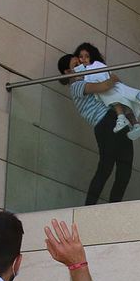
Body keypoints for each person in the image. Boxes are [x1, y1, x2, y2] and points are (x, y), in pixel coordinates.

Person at [56, 49, 132, 206]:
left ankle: (114, 205)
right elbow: (102, 87)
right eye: (76, 64)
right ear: (67, 71)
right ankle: (89, 206)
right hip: (104, 124)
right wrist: (112, 79)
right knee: (106, 166)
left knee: (125, 165)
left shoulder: (85, 79)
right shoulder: (76, 86)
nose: (81, 65)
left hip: (115, 119)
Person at [73, 44, 140, 141]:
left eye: (87, 56)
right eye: (81, 57)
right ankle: (136, 125)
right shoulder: (96, 66)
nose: (84, 59)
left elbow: (101, 80)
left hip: (108, 88)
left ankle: (121, 118)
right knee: (126, 104)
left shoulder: (94, 66)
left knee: (113, 98)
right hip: (113, 86)